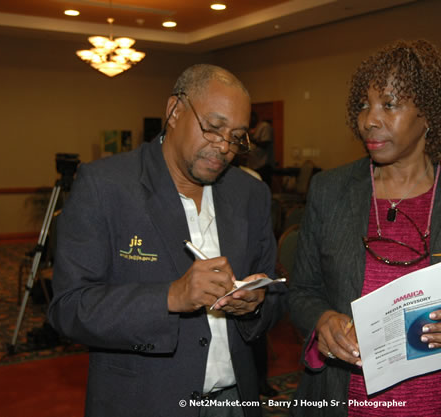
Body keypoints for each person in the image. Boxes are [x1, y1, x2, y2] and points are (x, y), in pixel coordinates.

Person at [288, 40, 441, 417]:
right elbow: (302, 292)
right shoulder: (330, 191)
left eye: (389, 105)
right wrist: (321, 320)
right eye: (364, 104)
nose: (369, 120)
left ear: (428, 114)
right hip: (345, 400)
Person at [48, 64, 285, 417]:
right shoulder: (106, 185)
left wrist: (254, 304)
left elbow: (276, 296)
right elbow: (68, 308)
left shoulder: (250, 193)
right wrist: (171, 297)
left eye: (236, 136)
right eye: (213, 127)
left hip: (236, 401)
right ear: (174, 111)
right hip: (143, 403)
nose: (223, 147)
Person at [246, 111, 275, 186]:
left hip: (263, 166)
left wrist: (250, 138)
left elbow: (265, 144)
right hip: (253, 166)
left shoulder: (264, 126)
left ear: (254, 118)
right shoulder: (250, 129)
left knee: (263, 188)